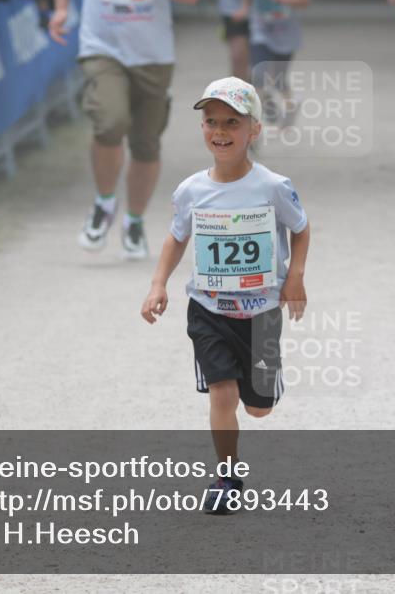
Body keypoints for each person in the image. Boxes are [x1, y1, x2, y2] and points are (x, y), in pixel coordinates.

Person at [140, 77, 309, 514]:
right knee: (222, 393)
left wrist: (294, 277)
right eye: (211, 121)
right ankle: (227, 477)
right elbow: (177, 238)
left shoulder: (272, 186)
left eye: (232, 122)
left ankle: (263, 394)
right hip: (209, 308)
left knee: (258, 409)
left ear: (254, 130)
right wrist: (158, 283)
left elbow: (301, 227)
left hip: (261, 312)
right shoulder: (192, 190)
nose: (220, 131)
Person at [49, 0, 200, 258]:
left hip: (154, 54)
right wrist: (61, 7)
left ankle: (134, 221)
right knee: (109, 122)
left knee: (146, 145)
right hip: (102, 47)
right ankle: (104, 204)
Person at [236, 0, 310, 127]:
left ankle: (290, 106)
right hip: (261, 31)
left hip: (286, 34)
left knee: (278, 79)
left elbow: (304, 0)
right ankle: (252, 125)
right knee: (258, 75)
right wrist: (243, 9)